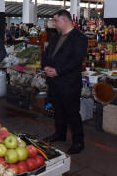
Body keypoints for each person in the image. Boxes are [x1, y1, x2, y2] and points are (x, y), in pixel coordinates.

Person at [42, 10, 88, 154]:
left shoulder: (79, 38)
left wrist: (58, 71)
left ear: (65, 20)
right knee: (59, 111)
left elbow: (76, 60)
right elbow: (46, 54)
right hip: (54, 81)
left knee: (72, 113)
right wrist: (46, 67)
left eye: (55, 21)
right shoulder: (55, 37)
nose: (54, 24)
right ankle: (60, 134)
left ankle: (78, 141)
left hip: (68, 83)